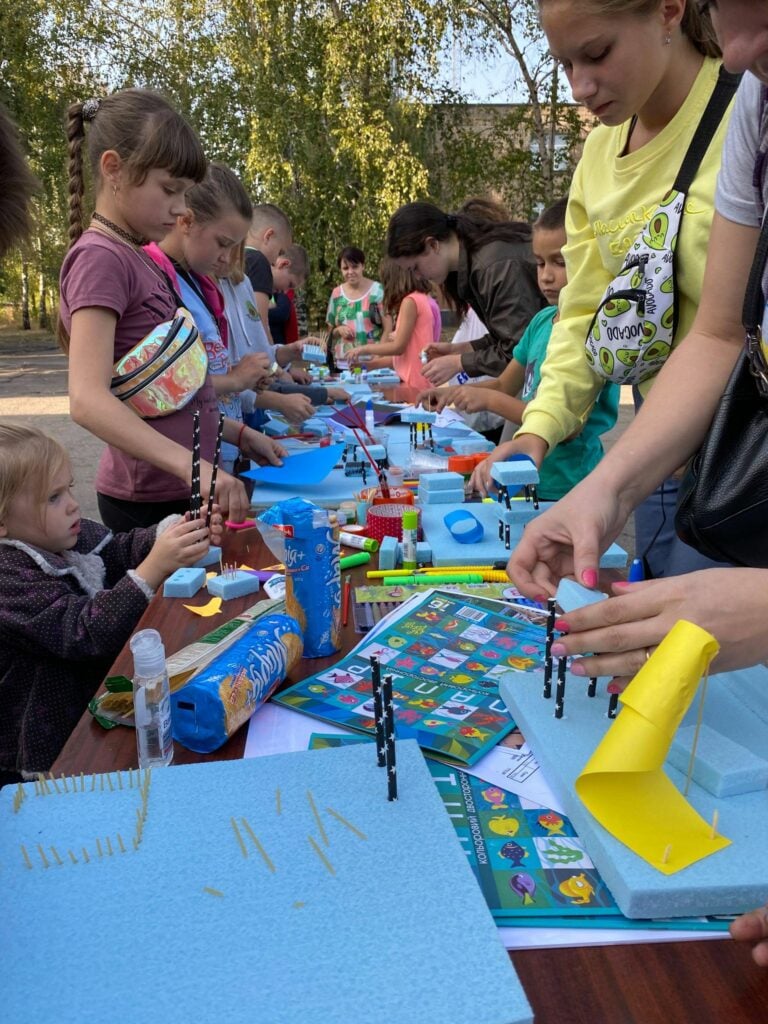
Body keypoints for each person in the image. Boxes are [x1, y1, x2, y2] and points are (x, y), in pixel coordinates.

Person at [505, 0, 768, 960]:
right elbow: (715, 334)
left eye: (598, 52)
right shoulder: (757, 112)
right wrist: (601, 486)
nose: (738, 45)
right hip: (711, 468)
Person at [474, 0, 734, 579]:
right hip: (658, 445)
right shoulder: (596, 154)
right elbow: (583, 316)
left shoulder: (744, 105)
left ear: (669, 10)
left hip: (743, 444)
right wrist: (537, 431)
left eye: (596, 54)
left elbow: (726, 329)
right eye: (564, 64)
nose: (580, 87)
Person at [58, 89, 253, 529]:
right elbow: (87, 401)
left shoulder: (140, 256)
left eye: (185, 194)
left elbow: (174, 389)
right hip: (147, 500)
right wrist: (198, 470)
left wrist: (241, 435)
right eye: (170, 190)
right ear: (114, 170)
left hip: (179, 486)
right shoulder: (100, 259)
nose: (181, 208)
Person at [0, 424, 223, 783]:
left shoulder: (63, 534)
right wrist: (156, 566)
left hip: (90, 709)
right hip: (46, 743)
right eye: (53, 497)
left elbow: (117, 550)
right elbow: (81, 633)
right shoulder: (8, 578)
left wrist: (175, 534)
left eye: (68, 488)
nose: (73, 503)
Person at [421, 197, 619, 501]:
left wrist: (487, 399)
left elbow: (565, 427)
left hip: (568, 486)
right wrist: (453, 395)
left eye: (560, 262)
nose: (546, 276)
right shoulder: (540, 322)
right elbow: (504, 384)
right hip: (528, 478)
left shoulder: (592, 331)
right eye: (539, 263)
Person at [148, 162, 286, 477]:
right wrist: (236, 380)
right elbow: (159, 393)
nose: (227, 257)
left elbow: (204, 383)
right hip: (171, 474)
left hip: (213, 456)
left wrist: (239, 432)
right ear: (186, 221)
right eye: (223, 243)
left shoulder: (200, 282)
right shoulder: (156, 280)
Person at [386, 198, 545, 386]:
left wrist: (458, 363)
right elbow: (507, 336)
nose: (418, 277)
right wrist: (460, 349)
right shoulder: (476, 262)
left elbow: (519, 348)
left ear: (432, 245)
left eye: (415, 268)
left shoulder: (493, 266)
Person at [347, 259, 439, 389]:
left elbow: (398, 347)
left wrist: (363, 348)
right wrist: (370, 365)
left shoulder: (410, 302)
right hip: (417, 379)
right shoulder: (420, 298)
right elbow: (406, 354)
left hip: (415, 382)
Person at [326, 246, 388, 361]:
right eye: (345, 268)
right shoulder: (336, 294)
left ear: (363, 266)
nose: (350, 272)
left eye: (355, 267)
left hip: (373, 363)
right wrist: (338, 330)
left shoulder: (378, 291)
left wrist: (378, 357)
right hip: (344, 364)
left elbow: (388, 328)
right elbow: (330, 333)